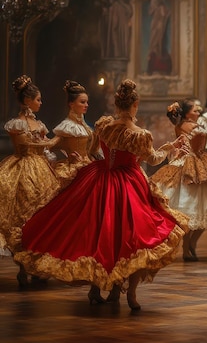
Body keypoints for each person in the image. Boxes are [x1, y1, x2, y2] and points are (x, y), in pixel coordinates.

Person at [12, 79, 188, 310]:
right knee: (133, 238)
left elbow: (94, 150)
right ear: (134, 105)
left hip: (101, 178)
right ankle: (128, 294)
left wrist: (86, 159)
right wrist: (169, 148)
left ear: (117, 105)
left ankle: (97, 289)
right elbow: (153, 159)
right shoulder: (139, 134)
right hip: (129, 182)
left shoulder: (105, 125)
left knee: (99, 235)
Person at [151, 99, 207, 262]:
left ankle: (190, 245)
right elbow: (196, 146)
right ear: (187, 113)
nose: (199, 112)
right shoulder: (190, 126)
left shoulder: (187, 125)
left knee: (202, 209)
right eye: (195, 110)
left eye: (199, 110)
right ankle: (187, 246)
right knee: (193, 207)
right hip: (190, 164)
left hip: (199, 162)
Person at [0, 75, 61, 287]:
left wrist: (50, 146)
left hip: (42, 170)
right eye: (38, 99)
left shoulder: (39, 123)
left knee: (41, 218)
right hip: (23, 169)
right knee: (21, 216)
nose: (41, 103)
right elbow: (25, 144)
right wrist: (50, 142)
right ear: (28, 101)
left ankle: (37, 264)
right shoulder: (18, 123)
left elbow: (44, 145)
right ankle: (23, 266)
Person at [52, 80, 94, 188]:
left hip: (88, 165)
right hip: (73, 169)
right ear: (71, 104)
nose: (86, 105)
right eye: (82, 102)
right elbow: (52, 145)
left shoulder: (84, 125)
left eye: (87, 102)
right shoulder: (67, 126)